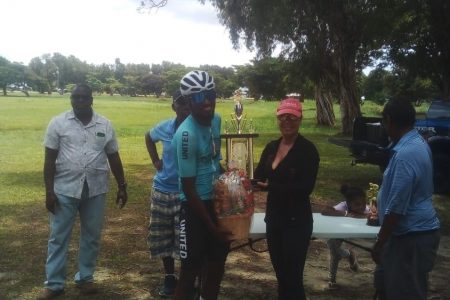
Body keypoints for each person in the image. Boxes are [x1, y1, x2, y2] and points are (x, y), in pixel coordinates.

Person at [38, 83, 127, 300]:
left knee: (92, 236)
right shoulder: (58, 123)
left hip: (95, 189)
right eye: (74, 97)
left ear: (91, 99)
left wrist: (122, 186)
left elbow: (113, 156)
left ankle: (85, 277)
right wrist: (49, 191)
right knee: (58, 237)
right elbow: (49, 159)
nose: (78, 101)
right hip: (64, 189)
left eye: (82, 97)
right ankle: (55, 283)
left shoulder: (104, 125)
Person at [371, 99, 441, 300]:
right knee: (390, 287)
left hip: (411, 237)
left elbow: (397, 206)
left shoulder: (406, 154)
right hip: (412, 234)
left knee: (405, 293)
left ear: (389, 120)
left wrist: (380, 241)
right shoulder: (416, 143)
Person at [253, 97, 320, 300]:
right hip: (274, 220)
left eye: (292, 117)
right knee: (281, 276)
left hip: (296, 222)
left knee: (293, 278)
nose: (287, 122)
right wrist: (240, 181)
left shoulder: (308, 150)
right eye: (282, 117)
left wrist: (272, 187)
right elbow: (259, 176)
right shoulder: (272, 147)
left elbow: (305, 188)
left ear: (300, 120)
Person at [172, 70, 230, 300]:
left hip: (216, 202)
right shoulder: (186, 135)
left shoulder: (216, 120)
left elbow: (215, 161)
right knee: (190, 272)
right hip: (195, 208)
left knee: (216, 267)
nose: (206, 101)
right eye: (197, 97)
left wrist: (234, 183)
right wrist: (212, 227)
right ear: (187, 101)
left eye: (210, 94)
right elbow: (188, 187)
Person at [145, 89, 190, 297]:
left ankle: (189, 280)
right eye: (180, 103)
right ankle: (170, 278)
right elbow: (148, 137)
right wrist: (156, 160)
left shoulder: (198, 129)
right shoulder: (164, 127)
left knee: (185, 240)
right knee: (163, 238)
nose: (184, 107)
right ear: (174, 107)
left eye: (188, 103)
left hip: (187, 195)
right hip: (162, 190)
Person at [321, 184, 370, 289]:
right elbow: (325, 211)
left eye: (364, 203)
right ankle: (348, 255)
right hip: (336, 232)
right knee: (334, 250)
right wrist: (346, 214)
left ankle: (332, 280)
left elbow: (371, 216)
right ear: (348, 203)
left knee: (335, 253)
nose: (362, 207)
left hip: (350, 233)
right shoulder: (343, 206)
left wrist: (360, 216)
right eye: (357, 204)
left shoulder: (365, 208)